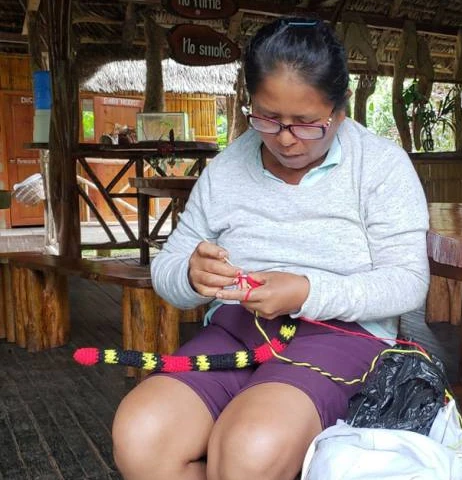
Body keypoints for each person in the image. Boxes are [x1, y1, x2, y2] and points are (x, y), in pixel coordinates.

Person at [111, 17, 430, 480]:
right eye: (267, 117)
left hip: (341, 337)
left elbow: (408, 282)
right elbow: (170, 267)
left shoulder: (380, 166)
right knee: (140, 437)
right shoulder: (225, 169)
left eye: (306, 124)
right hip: (238, 332)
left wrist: (306, 291)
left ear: (339, 112)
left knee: (249, 450)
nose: (284, 137)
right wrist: (189, 275)